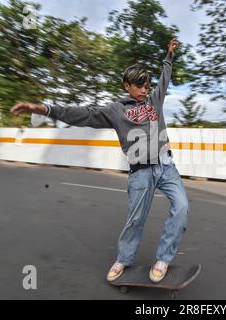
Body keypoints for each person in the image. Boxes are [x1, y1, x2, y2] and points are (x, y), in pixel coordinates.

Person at [10, 38, 189, 283]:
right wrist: (43, 109)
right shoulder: (115, 110)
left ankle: (163, 259)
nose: (145, 89)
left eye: (146, 85)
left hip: (166, 166)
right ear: (127, 86)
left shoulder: (154, 100)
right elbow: (82, 114)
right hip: (140, 172)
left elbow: (165, 78)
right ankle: (124, 259)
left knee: (182, 208)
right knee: (135, 219)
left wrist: (168, 56)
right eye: (139, 86)